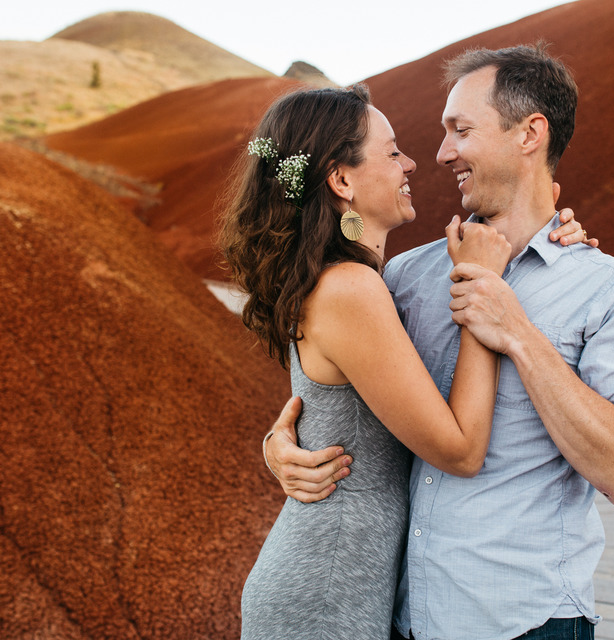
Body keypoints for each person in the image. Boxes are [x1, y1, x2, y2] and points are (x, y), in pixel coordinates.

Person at [263, 44, 614, 640]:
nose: (440, 153)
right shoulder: (404, 278)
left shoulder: (609, 290)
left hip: (523, 622)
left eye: (461, 130)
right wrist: (280, 446)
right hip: (400, 617)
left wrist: (519, 334)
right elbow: (342, 388)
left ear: (530, 133)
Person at [220, 83, 591, 640]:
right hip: (326, 594)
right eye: (392, 152)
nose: (412, 163)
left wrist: (547, 234)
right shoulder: (349, 289)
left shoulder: (356, 282)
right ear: (341, 181)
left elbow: (335, 410)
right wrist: (479, 284)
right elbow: (461, 450)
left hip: (353, 585)